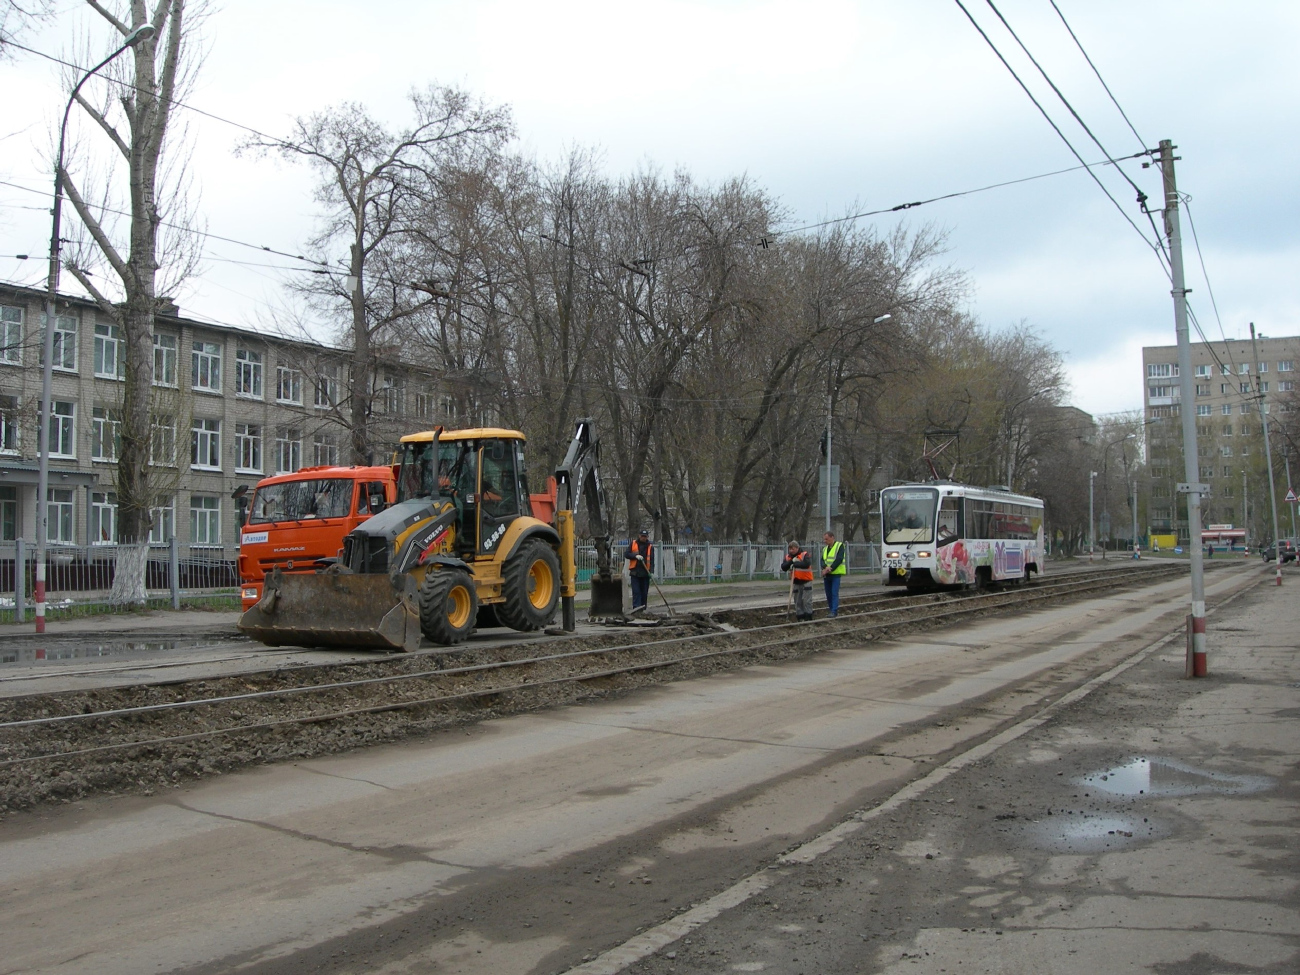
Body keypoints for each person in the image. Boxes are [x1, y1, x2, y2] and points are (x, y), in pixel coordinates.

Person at [782, 541, 814, 621]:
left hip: (806, 581)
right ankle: (800, 616)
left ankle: (808, 616)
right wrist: (791, 561)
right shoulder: (788, 557)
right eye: (790, 549)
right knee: (797, 601)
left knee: (807, 600)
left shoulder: (804, 554)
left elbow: (807, 564)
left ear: (797, 548)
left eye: (793, 549)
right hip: (796, 582)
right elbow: (784, 567)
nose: (791, 551)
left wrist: (796, 564)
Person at [624, 529, 655, 611]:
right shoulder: (633, 543)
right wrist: (635, 556)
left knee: (644, 593)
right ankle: (636, 609)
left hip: (645, 573)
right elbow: (626, 554)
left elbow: (651, 560)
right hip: (635, 573)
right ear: (639, 536)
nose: (643, 538)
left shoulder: (650, 546)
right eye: (642, 536)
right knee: (636, 592)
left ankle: (643, 609)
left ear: (647, 537)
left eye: (645, 536)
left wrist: (651, 572)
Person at [820, 530, 846, 617]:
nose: (825, 541)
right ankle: (831, 609)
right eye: (824, 539)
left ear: (832, 538)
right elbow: (822, 560)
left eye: (826, 539)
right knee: (828, 594)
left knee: (834, 592)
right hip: (827, 575)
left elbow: (839, 559)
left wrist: (830, 568)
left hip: (836, 574)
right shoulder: (824, 549)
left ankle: (834, 611)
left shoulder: (839, 546)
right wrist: (824, 567)